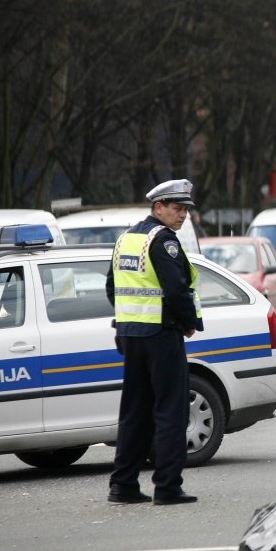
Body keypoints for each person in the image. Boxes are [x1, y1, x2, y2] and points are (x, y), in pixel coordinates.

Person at [105, 179, 204, 505]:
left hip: (131, 336)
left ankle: (123, 485)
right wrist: (189, 322)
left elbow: (111, 288)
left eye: (185, 210)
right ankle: (167, 487)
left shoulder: (124, 240)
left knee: (134, 412)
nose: (182, 216)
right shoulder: (163, 242)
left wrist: (131, 318)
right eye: (176, 209)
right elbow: (176, 290)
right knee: (171, 412)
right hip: (162, 337)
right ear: (158, 208)